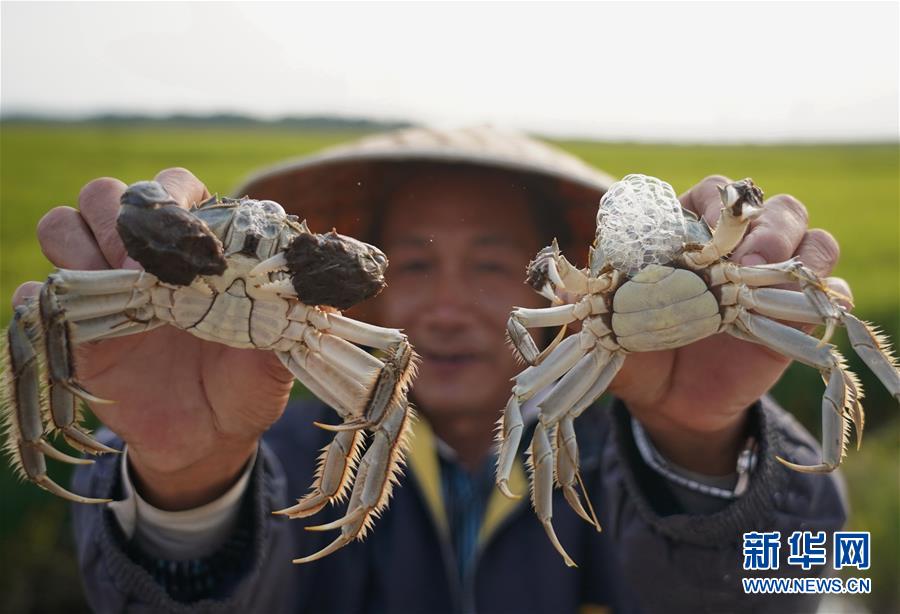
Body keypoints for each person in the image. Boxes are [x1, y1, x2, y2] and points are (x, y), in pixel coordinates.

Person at [16, 126, 847, 613]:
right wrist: (186, 480)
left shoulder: (606, 440)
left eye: (492, 265)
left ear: (568, 283)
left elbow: (829, 576)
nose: (446, 306)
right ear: (343, 287)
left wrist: (702, 447)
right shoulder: (274, 445)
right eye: (411, 264)